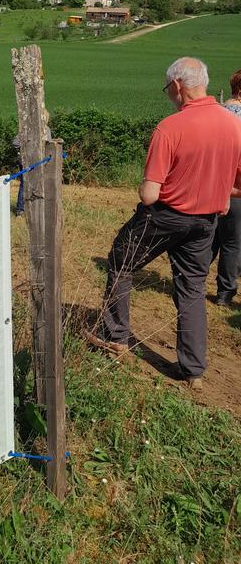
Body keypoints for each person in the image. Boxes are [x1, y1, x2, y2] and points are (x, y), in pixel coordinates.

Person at [85, 58, 241, 390]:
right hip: (206, 222)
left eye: (168, 87)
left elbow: (149, 194)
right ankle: (193, 369)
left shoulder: (170, 128)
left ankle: (115, 338)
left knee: (121, 262)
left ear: (178, 85)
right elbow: (234, 184)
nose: (169, 93)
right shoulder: (233, 125)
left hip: (165, 216)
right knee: (192, 288)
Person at [211, 68, 241, 306]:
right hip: (236, 187)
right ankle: (225, 292)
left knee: (210, 237)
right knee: (232, 242)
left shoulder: (217, 112)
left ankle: (189, 279)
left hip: (211, 184)